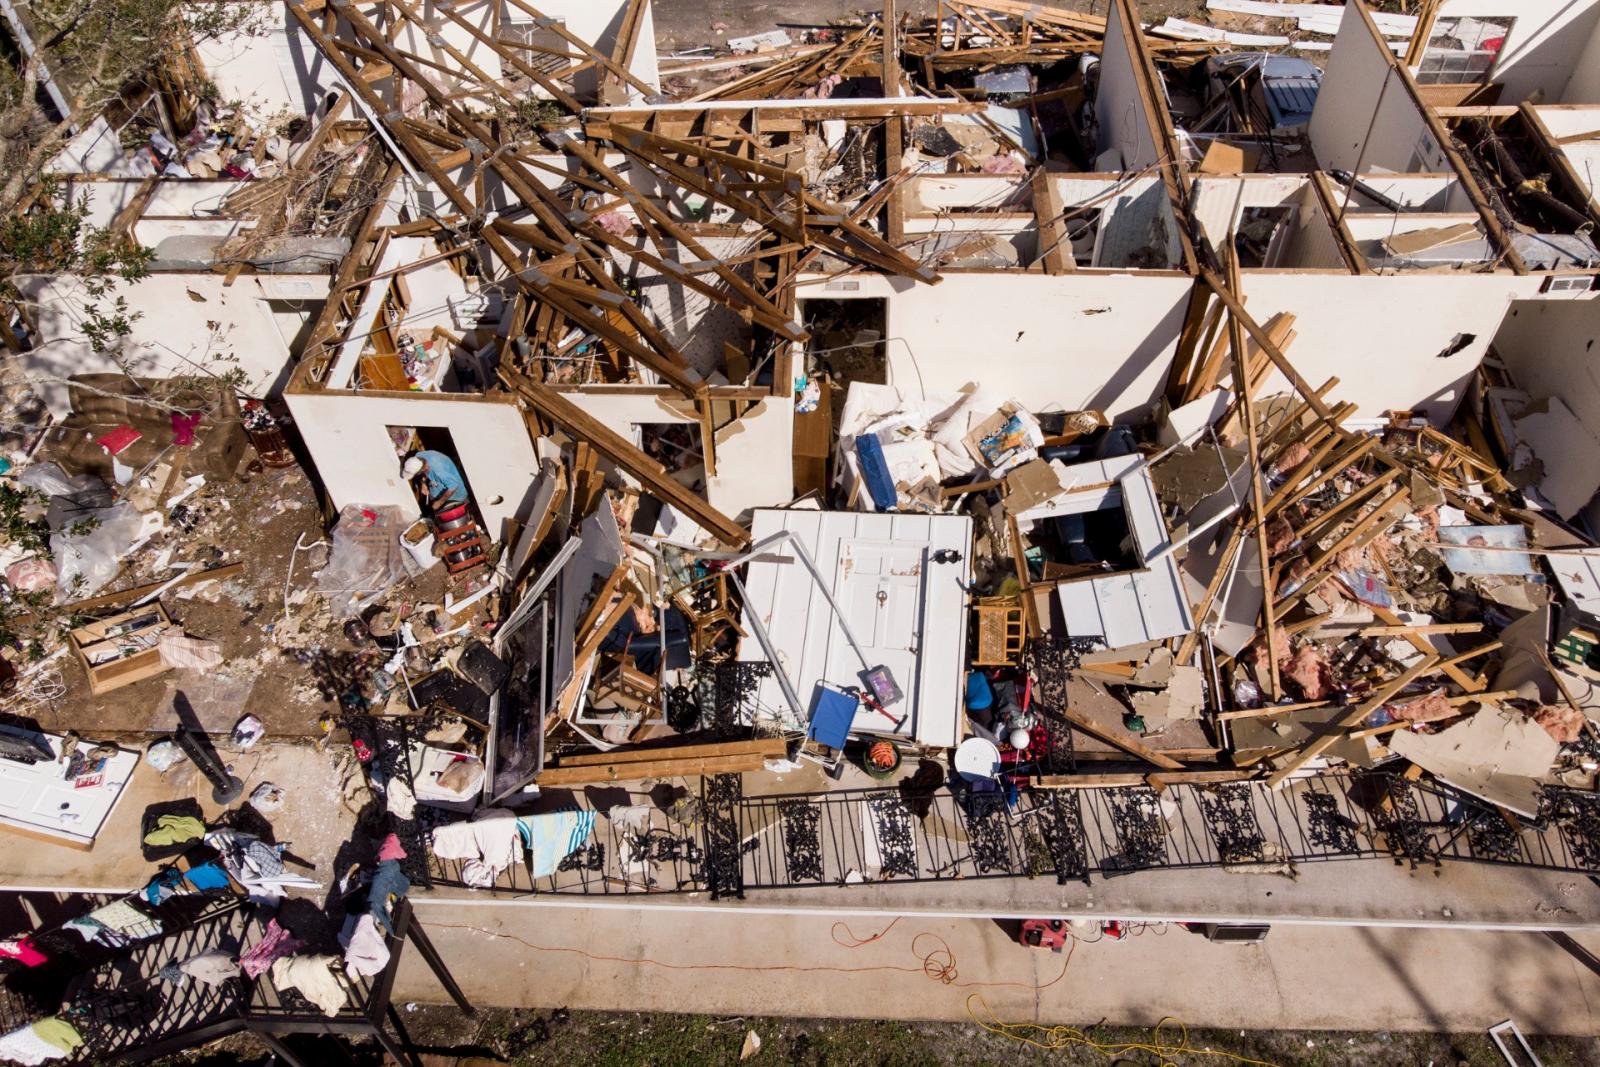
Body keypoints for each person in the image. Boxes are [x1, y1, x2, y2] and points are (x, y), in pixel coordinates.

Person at [402, 450, 468, 513]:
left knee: (453, 512)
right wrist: (423, 483)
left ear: (423, 469)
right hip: (439, 484)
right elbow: (422, 472)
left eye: (416, 473)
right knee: (432, 503)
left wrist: (439, 503)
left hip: (456, 492)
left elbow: (453, 486)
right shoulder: (418, 457)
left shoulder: (438, 468)